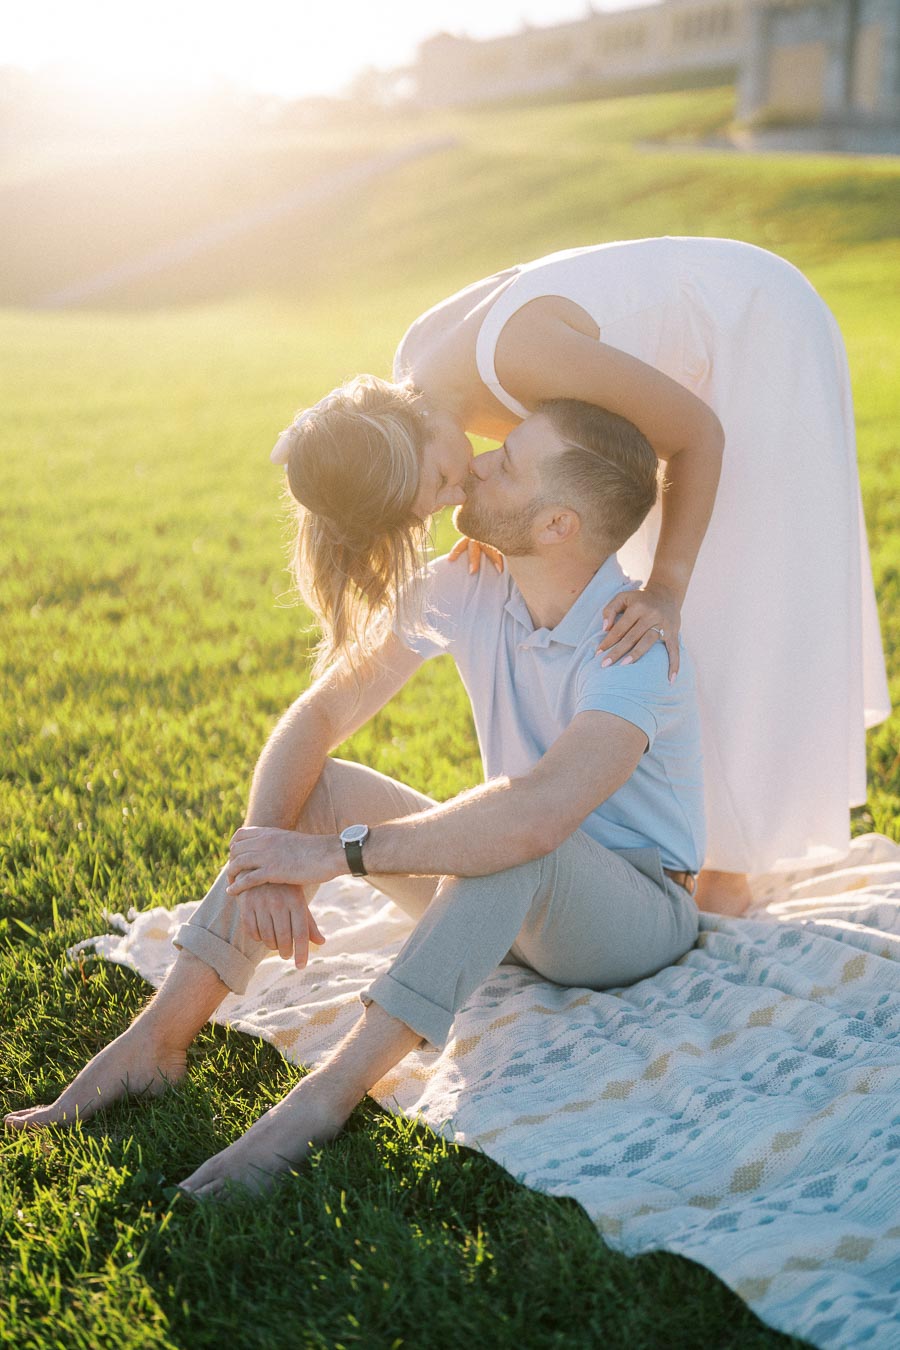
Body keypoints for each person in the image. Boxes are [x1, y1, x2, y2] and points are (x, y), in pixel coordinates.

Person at [5, 400, 703, 1199]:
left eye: (506, 464)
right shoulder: (474, 582)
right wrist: (265, 858)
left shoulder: (635, 643)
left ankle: (318, 1106)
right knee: (324, 786)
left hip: (634, 919)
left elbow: (539, 815)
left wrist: (334, 858)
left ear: (556, 526)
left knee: (511, 838)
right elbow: (321, 714)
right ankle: (156, 1043)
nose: (476, 464)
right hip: (511, 892)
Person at [271, 238, 890, 916]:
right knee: (641, 599)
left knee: (719, 603)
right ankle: (675, 851)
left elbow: (697, 436)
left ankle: (726, 873)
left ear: (408, 426)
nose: (457, 494)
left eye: (446, 479)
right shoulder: (413, 388)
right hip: (677, 383)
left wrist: (666, 590)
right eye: (440, 500)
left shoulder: (520, 354)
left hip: (750, 333)